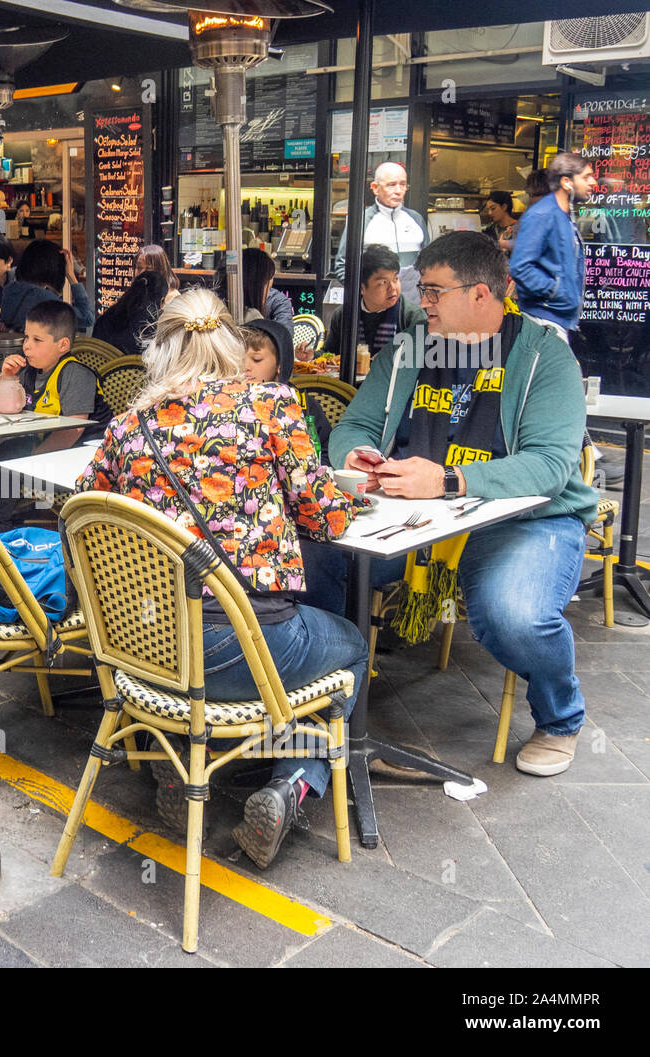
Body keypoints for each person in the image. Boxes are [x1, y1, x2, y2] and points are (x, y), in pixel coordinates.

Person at [74, 287, 365, 869]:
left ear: (159, 351)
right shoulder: (272, 406)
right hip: (245, 653)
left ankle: (176, 769)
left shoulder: (128, 428)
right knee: (351, 646)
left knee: (188, 615)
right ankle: (291, 786)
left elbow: (89, 505)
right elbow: (326, 518)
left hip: (144, 651)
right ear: (232, 345)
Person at [306, 230, 597, 777]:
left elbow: (551, 467)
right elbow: (355, 425)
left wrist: (446, 481)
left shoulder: (544, 357)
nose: (423, 303)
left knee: (517, 615)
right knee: (313, 556)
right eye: (424, 290)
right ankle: (327, 696)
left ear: (483, 295)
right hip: (408, 512)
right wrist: (363, 457)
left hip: (528, 517)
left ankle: (561, 718)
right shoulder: (411, 349)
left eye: (435, 291)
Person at [0, 299, 112, 454]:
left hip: (85, 452)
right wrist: (6, 376)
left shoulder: (75, 374)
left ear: (63, 345)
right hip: (45, 446)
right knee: (2, 453)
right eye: (26, 337)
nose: (27, 345)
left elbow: (73, 430)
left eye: (37, 340)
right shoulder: (28, 368)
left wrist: (34, 458)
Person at [509, 151, 596, 343]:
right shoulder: (544, 215)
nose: (593, 183)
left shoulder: (562, 215)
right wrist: (556, 292)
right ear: (566, 182)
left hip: (556, 319)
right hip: (545, 320)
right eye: (586, 177)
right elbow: (521, 268)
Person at [332, 161, 428, 303]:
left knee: (418, 326)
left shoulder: (416, 219)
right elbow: (342, 266)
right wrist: (367, 293)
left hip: (415, 308)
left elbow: (429, 263)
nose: (398, 190)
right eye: (391, 185)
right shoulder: (360, 221)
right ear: (375, 188)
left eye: (403, 184)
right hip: (376, 309)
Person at [243, 317, 335, 462]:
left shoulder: (301, 403)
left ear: (280, 364)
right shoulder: (227, 402)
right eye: (239, 358)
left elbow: (326, 450)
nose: (246, 367)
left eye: (257, 359)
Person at [317, 244, 426, 359]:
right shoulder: (344, 315)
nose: (393, 288)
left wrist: (391, 360)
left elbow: (423, 360)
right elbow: (329, 354)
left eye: (396, 279)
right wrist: (310, 356)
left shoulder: (412, 316)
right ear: (362, 288)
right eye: (383, 282)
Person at [0, 240, 93, 332]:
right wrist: (71, 276)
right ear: (52, 268)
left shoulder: (10, 291)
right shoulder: (44, 298)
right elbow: (87, 318)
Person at [91, 269, 168, 357]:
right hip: (135, 370)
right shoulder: (154, 327)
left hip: (100, 368)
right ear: (162, 300)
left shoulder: (105, 319)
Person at [242, 247, 294, 327]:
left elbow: (284, 333)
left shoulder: (278, 300)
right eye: (267, 286)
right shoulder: (252, 316)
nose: (267, 293)